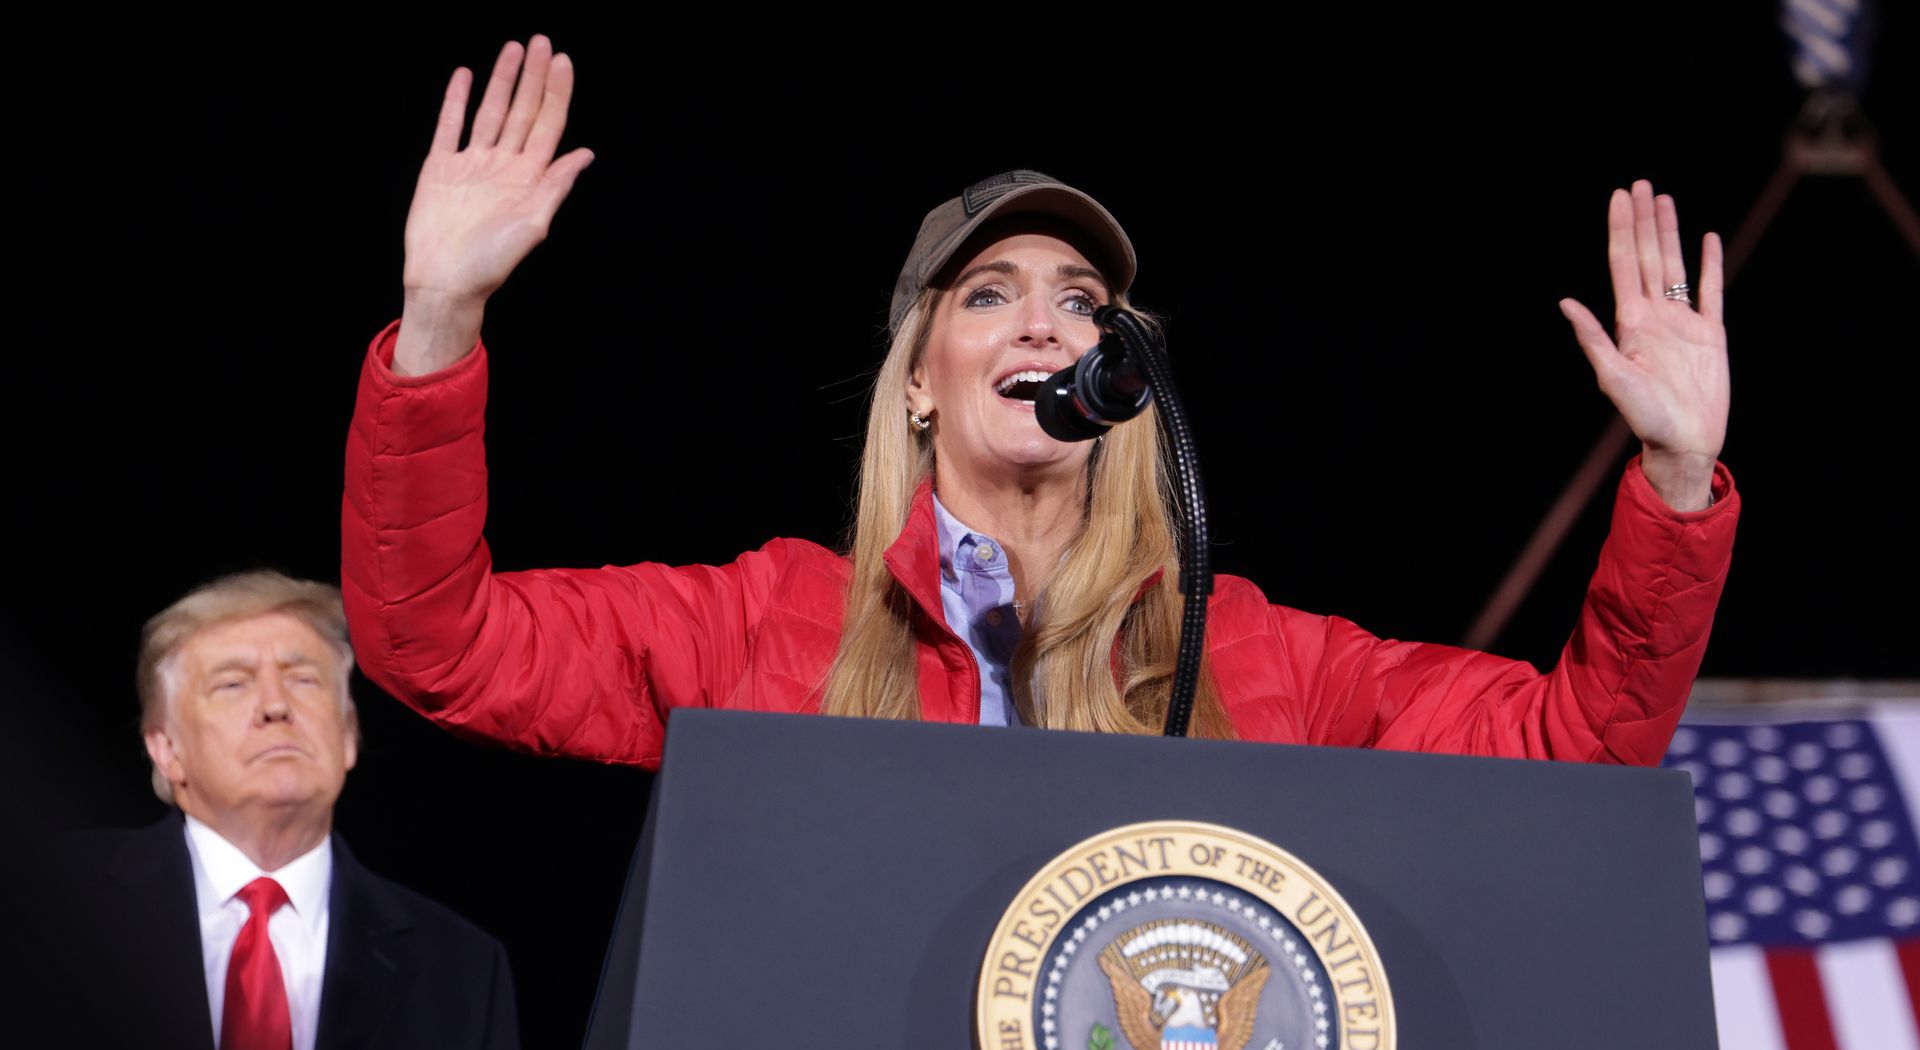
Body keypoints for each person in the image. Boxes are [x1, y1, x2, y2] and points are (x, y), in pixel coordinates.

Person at [342, 37, 1736, 770]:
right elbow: (436, 646)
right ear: (920, 389)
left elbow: (1577, 738)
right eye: (990, 293)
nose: (1047, 322)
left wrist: (1675, 484)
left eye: (1080, 301)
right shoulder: (767, 624)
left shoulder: (1249, 651)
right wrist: (442, 323)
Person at [56, 572, 523, 1050]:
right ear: (166, 749)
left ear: (347, 735)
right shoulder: (43, 904)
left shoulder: (459, 969)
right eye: (232, 683)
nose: (276, 707)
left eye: (303, 679)